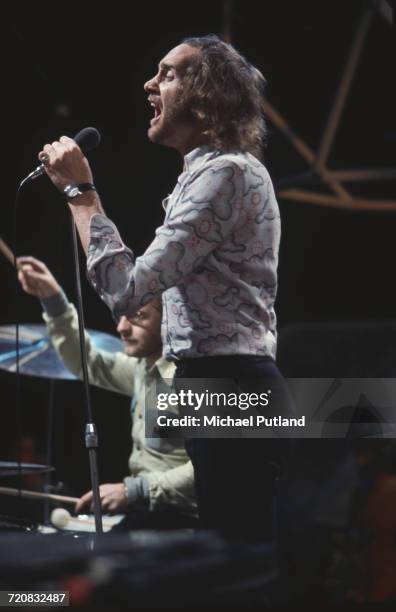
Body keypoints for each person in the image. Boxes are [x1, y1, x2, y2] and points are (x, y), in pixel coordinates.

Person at [32, 34, 292, 539]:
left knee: (235, 568)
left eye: (168, 74)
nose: (150, 84)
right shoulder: (202, 176)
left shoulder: (228, 173)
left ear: (208, 95)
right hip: (210, 378)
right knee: (221, 560)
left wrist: (80, 193)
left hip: (230, 382)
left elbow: (128, 291)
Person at [17, 256, 197, 529]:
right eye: (120, 315)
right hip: (152, 513)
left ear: (169, 321)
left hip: (185, 521)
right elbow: (88, 362)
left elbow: (217, 465)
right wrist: (53, 301)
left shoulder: (189, 378)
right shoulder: (143, 369)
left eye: (137, 316)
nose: (121, 327)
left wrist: (134, 490)